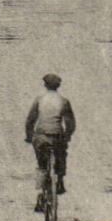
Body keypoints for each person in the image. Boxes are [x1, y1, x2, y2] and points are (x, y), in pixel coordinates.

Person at [25, 73, 76, 211]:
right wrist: (67, 135)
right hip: (57, 137)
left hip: (41, 137)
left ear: (45, 85)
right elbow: (70, 123)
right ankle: (59, 181)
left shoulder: (39, 99)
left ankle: (41, 193)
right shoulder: (64, 101)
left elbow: (30, 120)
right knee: (61, 157)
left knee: (42, 164)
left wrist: (29, 136)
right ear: (58, 86)